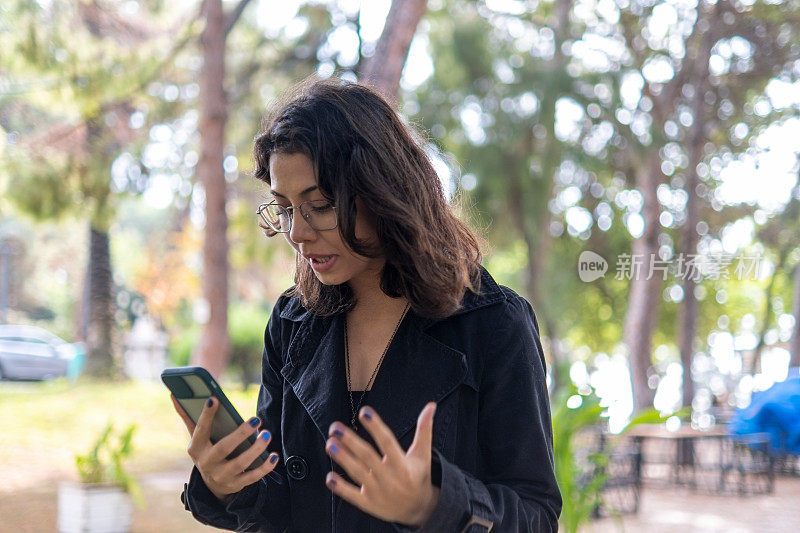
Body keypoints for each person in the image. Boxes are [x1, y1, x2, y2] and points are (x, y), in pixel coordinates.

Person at [171, 77, 562, 532]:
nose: (297, 233)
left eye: (317, 205)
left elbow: (536, 515)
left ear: (382, 192)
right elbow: (279, 511)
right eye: (284, 208)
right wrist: (227, 483)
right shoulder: (292, 323)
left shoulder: (493, 324)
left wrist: (435, 504)